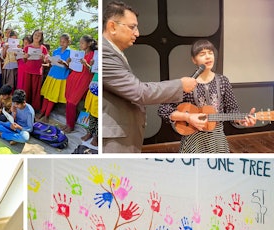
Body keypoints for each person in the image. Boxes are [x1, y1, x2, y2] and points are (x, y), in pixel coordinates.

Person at [102, 1, 197, 152]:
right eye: (132, 27)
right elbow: (140, 92)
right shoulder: (104, 53)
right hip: (115, 140)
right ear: (112, 26)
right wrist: (180, 86)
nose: (137, 33)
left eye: (210, 53)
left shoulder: (221, 81)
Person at [158, 40, 257, 153]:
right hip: (193, 139)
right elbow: (163, 110)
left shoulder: (223, 81)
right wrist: (187, 117)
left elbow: (232, 110)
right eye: (202, 54)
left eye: (210, 52)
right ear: (194, 60)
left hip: (217, 138)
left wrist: (241, 121)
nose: (208, 57)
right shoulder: (187, 84)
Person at [38, 33, 71, 122]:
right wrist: (49, 60)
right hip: (51, 74)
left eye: (64, 42)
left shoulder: (70, 53)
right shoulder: (56, 51)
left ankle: (47, 115)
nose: (62, 43)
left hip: (61, 77)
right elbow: (51, 63)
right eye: (61, 41)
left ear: (68, 42)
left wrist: (64, 63)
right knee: (46, 95)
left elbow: (69, 67)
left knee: (52, 97)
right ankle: (42, 112)